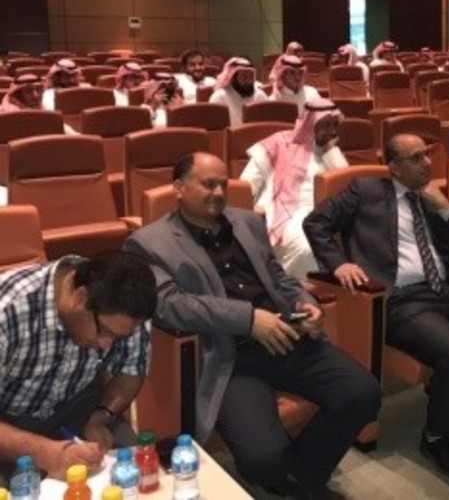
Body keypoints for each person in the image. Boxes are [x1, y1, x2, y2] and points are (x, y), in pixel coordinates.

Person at [123, 152, 380, 499]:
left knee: (364, 393)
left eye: (222, 184)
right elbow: (170, 305)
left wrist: (305, 302)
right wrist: (248, 319)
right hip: (230, 356)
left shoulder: (247, 222)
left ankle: (301, 479)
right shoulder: (148, 243)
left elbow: (277, 276)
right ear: (179, 188)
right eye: (208, 184)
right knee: (262, 462)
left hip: (287, 335)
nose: (218, 192)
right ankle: (289, 476)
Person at [303, 133, 449, 482]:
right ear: (394, 167)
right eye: (416, 158)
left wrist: (445, 209)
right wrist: (337, 263)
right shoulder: (366, 190)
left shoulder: (431, 197)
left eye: (427, 155)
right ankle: (438, 437)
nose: (427, 163)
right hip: (403, 303)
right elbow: (316, 223)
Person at [0, 252, 156, 483]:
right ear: (80, 297)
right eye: (104, 331)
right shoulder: (8, 309)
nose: (106, 344)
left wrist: (101, 417)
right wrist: (46, 453)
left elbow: (130, 370)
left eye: (117, 337)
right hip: (8, 419)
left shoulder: (126, 308)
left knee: (135, 473)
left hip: (78, 406)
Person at [240, 100, 347, 279]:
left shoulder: (330, 151)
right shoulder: (280, 142)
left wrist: (332, 150)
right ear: (310, 123)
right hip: (287, 214)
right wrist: (250, 207)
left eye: (335, 125)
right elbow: (247, 182)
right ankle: (301, 289)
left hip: (327, 214)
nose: (332, 131)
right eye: (326, 125)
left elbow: (345, 185)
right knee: (307, 248)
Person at [209, 56, 268, 126]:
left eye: (250, 77)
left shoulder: (260, 96)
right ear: (233, 78)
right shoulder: (219, 97)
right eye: (244, 76)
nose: (248, 81)